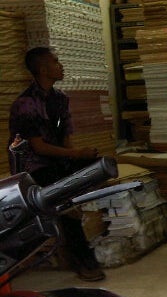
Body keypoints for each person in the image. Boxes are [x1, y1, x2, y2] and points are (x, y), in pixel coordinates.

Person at [8, 47, 105, 282]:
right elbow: (38, 148)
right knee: (66, 202)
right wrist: (75, 155)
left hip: (57, 161)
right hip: (33, 169)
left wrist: (77, 158)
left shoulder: (60, 99)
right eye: (55, 62)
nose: (61, 66)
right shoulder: (26, 104)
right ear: (43, 69)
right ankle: (83, 260)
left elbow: (65, 140)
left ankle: (75, 199)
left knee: (101, 166)